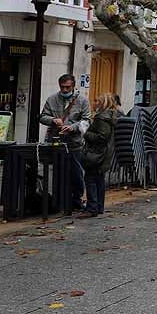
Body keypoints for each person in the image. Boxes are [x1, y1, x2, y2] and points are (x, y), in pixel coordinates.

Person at [39, 74, 91, 211]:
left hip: (74, 143)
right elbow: (42, 116)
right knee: (58, 172)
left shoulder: (82, 101)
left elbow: (87, 121)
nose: (65, 90)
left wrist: (72, 127)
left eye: (68, 87)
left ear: (73, 86)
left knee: (76, 173)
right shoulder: (52, 99)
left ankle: (77, 199)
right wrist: (52, 120)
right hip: (56, 142)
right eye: (62, 87)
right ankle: (59, 200)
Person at [79, 94, 118, 217]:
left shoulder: (101, 118)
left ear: (103, 103)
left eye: (97, 100)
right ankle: (98, 206)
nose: (94, 102)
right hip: (103, 153)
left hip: (96, 154)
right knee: (98, 180)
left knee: (91, 179)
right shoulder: (108, 117)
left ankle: (92, 208)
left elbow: (102, 137)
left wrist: (86, 133)